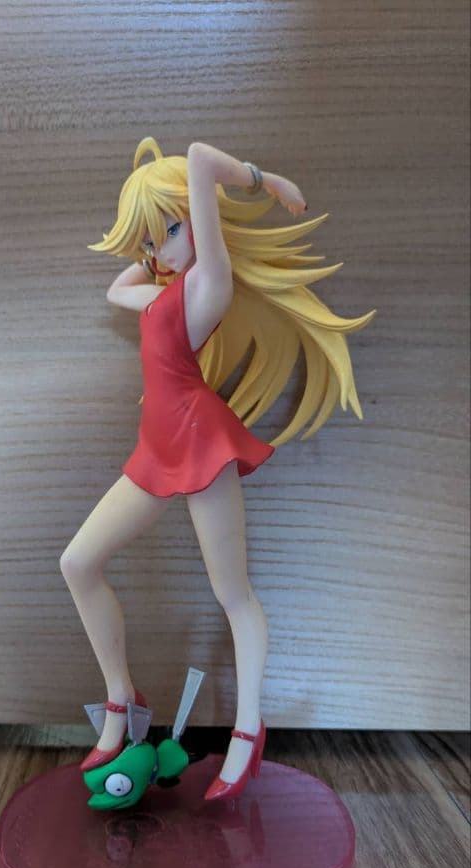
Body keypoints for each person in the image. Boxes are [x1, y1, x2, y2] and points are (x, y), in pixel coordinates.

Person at [59, 138, 376, 800]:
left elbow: (200, 157)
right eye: (153, 239)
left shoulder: (209, 285)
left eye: (172, 228)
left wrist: (268, 180)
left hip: (201, 447)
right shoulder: (164, 293)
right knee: (78, 563)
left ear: (199, 224)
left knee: (233, 594)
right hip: (155, 451)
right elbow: (117, 288)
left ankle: (249, 726)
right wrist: (151, 237)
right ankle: (121, 698)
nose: (161, 249)